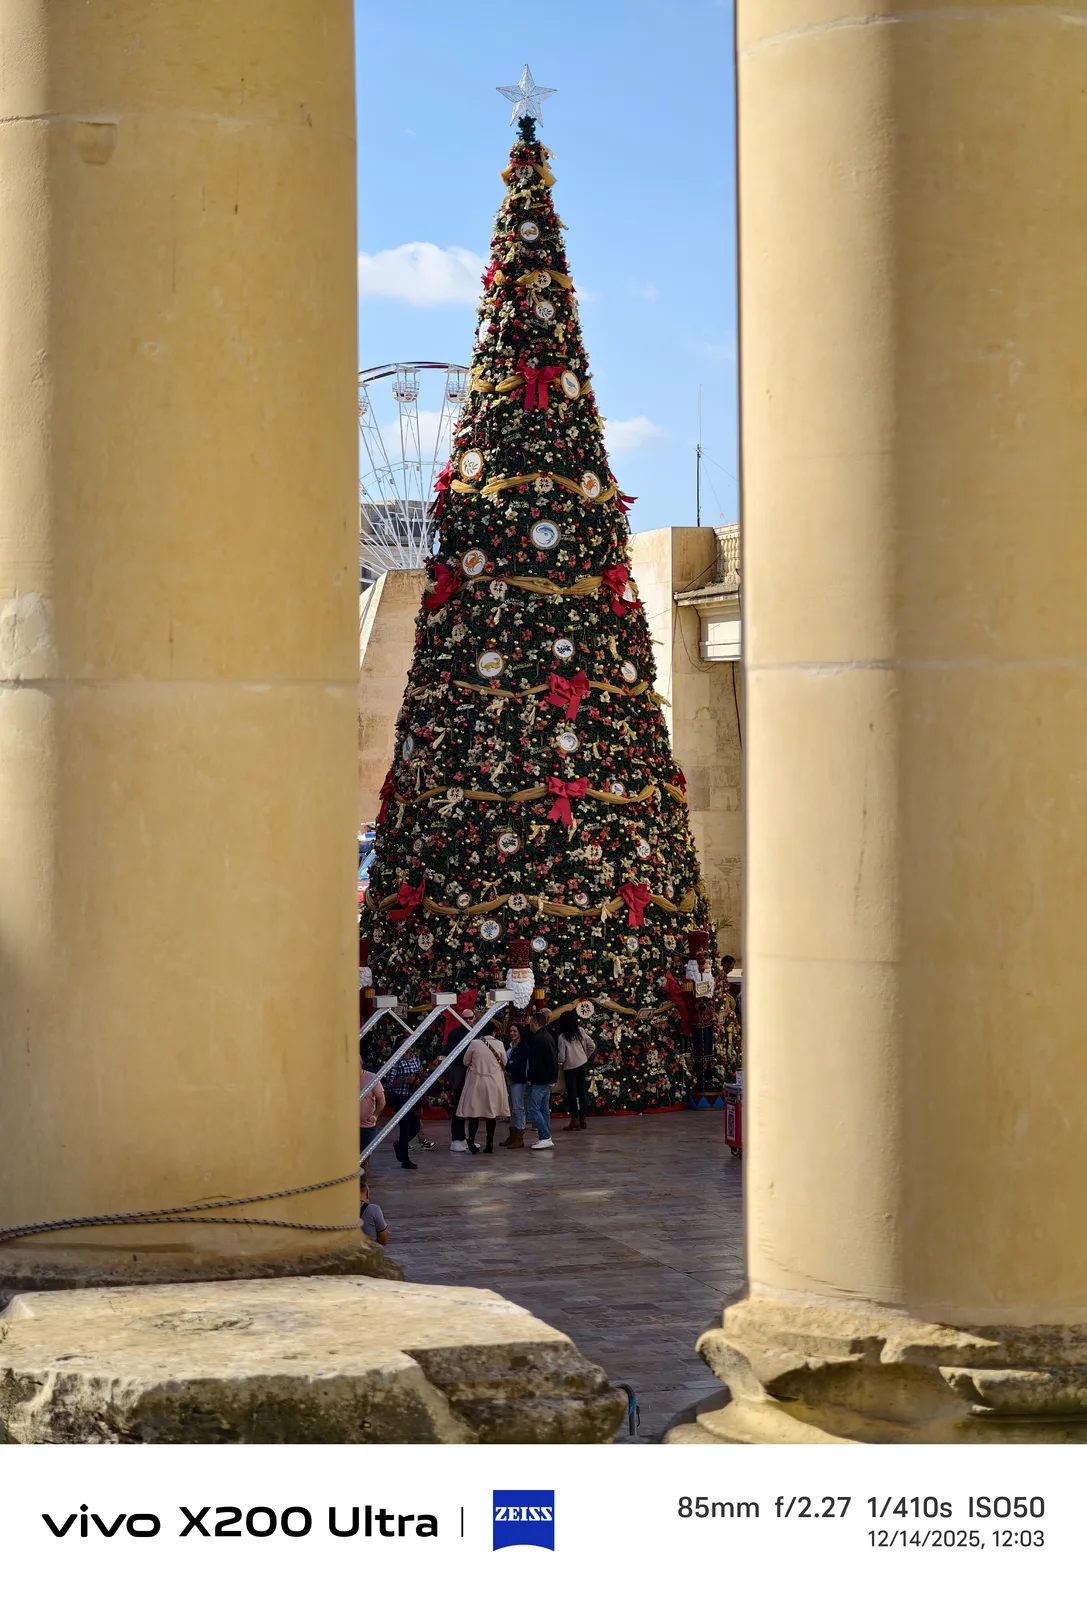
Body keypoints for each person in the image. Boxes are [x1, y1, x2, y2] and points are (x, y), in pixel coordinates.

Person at [456, 1018, 509, 1153]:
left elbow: (465, 1061)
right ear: (494, 1032)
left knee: (474, 1113)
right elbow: (504, 1062)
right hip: (494, 1082)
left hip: (476, 1082)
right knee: (491, 1113)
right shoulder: (499, 1044)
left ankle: (471, 1142)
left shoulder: (474, 1043)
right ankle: (489, 1143)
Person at [443, 990, 478, 1153]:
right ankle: (457, 1139)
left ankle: (467, 1140)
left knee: (472, 1107)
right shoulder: (455, 1034)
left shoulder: (476, 1032)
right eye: (466, 1018)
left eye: (471, 1018)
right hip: (460, 1073)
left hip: (474, 1074)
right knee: (459, 1106)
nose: (468, 1021)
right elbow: (452, 1054)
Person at [384, 1049, 423, 1171]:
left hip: (413, 1096)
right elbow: (389, 1083)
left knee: (416, 1127)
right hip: (400, 1098)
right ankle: (405, 1160)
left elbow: (421, 1072)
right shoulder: (396, 1061)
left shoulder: (415, 1057)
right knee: (405, 1128)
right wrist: (404, 1080)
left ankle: (400, 1145)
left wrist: (418, 1079)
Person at [555, 1010, 595, 1131]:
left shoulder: (562, 1037)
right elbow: (592, 1046)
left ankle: (574, 1120)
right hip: (582, 1065)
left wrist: (558, 1062)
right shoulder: (581, 1032)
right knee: (582, 1092)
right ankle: (583, 1119)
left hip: (570, 1067)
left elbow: (561, 1057)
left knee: (572, 1094)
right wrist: (584, 1056)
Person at [526, 1008, 558, 1150]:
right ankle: (544, 1136)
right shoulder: (547, 1036)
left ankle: (545, 1136)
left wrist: (531, 1078)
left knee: (534, 1109)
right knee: (544, 1108)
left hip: (540, 1079)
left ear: (535, 1022)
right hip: (549, 1078)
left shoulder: (539, 1039)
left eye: (531, 1022)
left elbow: (536, 1062)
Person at [501, 1020, 530, 1148]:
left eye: (515, 1031)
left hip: (518, 1080)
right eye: (511, 1031)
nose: (512, 1033)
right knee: (511, 1108)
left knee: (518, 1108)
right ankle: (512, 1135)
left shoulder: (523, 1048)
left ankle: (519, 1136)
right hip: (509, 1080)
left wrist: (507, 1065)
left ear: (520, 1033)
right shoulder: (509, 1046)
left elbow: (518, 1064)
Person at [359, 1060, 386, 1176]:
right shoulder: (344, 1079)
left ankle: (363, 1182)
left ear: (360, 1063)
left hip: (367, 1126)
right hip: (349, 1127)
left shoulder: (371, 1078)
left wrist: (375, 1116)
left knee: (365, 1159)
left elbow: (381, 1099)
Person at [359, 1182, 389, 1247]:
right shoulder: (373, 1209)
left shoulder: (342, 1209)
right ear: (367, 1193)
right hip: (369, 1251)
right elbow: (383, 1240)